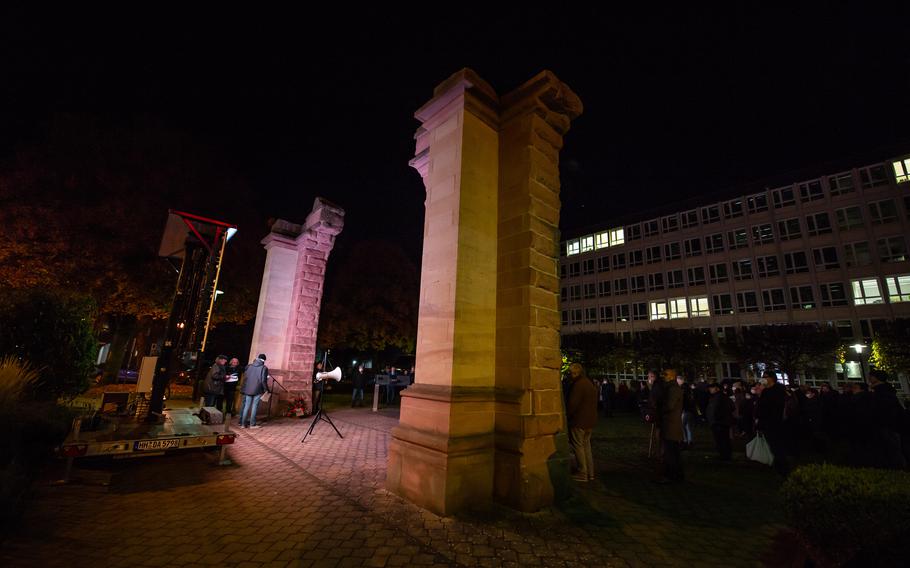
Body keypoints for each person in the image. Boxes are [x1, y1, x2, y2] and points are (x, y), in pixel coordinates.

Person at [647, 368, 684, 483]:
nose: (664, 376)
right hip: (669, 424)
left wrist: (658, 409)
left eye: (666, 375)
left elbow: (669, 405)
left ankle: (672, 476)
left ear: (672, 376)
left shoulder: (673, 389)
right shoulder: (670, 388)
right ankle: (675, 475)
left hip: (670, 425)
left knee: (670, 453)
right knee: (671, 452)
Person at [867, 370, 907, 469]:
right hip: (886, 425)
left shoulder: (882, 392)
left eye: (871, 376)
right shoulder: (883, 391)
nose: (869, 378)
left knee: (891, 448)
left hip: (886, 425)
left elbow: (882, 408)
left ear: (877, 378)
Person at [566, 363, 598, 482]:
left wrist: (567, 416)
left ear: (575, 373)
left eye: (570, 373)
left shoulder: (578, 385)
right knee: (586, 447)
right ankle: (590, 473)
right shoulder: (589, 383)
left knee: (578, 447)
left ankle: (582, 473)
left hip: (579, 421)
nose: (569, 375)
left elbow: (572, 404)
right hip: (590, 421)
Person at [755, 374, 789, 476]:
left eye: (766, 377)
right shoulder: (770, 391)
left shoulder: (774, 392)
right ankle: (779, 465)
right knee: (775, 446)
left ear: (771, 379)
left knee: (776, 446)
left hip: (773, 422)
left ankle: (782, 468)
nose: (763, 379)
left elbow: (766, 408)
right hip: (770, 422)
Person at [239, 354, 270, 429]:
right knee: (254, 406)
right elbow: (263, 380)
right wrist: (266, 389)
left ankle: (243, 424)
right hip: (257, 389)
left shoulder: (249, 366)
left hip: (248, 389)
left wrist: (244, 388)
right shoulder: (264, 368)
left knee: (246, 406)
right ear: (264, 360)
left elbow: (245, 378)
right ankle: (252, 424)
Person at [706, 382, 734, 460]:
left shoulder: (719, 397)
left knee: (722, 440)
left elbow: (716, 410)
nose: (710, 389)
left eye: (712, 387)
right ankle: (724, 455)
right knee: (723, 439)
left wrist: (717, 418)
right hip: (719, 422)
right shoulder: (717, 397)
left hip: (719, 423)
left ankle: (725, 455)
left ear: (717, 388)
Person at [677, 375, 695, 449]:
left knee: (681, 426)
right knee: (688, 426)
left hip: (685, 410)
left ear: (681, 380)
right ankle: (690, 441)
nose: (677, 382)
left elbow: (682, 400)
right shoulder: (689, 388)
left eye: (677, 381)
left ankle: (684, 441)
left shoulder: (683, 389)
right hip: (689, 410)